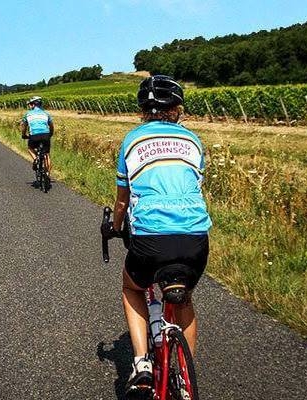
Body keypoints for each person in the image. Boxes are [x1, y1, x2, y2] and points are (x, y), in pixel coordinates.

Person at [112, 75, 212, 396]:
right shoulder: (194, 141)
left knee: (132, 287)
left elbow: (122, 201)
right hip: (195, 238)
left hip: (151, 240)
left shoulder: (131, 141)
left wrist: (116, 226)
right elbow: (193, 187)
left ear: (143, 110)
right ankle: (185, 381)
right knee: (184, 298)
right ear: (177, 108)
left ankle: (141, 362)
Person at [20, 96, 54, 175]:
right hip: (46, 135)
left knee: (30, 148)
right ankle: (47, 175)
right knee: (47, 154)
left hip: (34, 135)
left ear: (33, 105)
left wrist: (23, 135)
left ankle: (35, 159)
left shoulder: (27, 114)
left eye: (30, 104)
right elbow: (51, 126)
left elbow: (24, 126)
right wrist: (51, 134)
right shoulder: (46, 113)